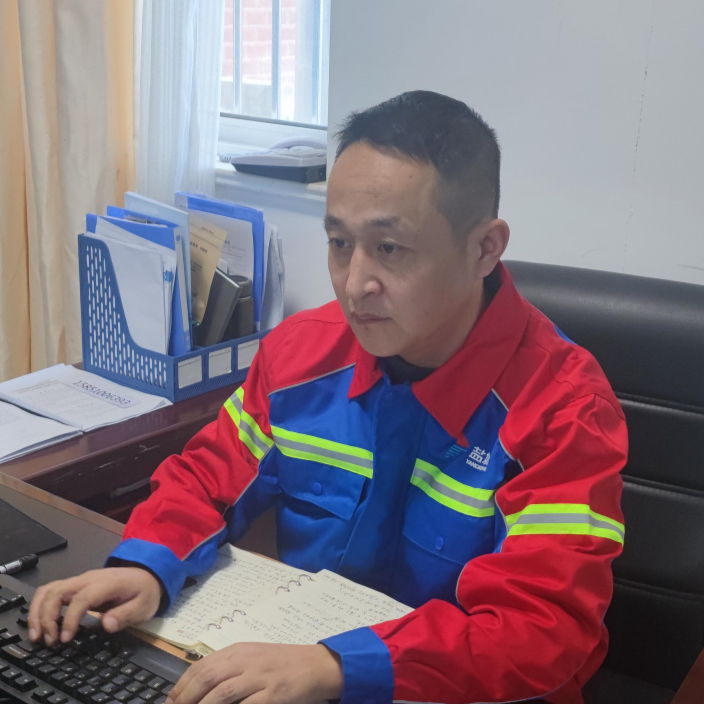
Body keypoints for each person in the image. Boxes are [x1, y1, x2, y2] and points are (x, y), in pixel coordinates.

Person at [28, 91, 627, 704]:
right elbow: (207, 478)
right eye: (340, 243)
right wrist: (147, 564)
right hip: (304, 667)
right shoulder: (300, 354)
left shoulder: (563, 412)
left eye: (389, 249)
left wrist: (341, 667)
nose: (354, 283)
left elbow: (540, 630)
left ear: (484, 249)